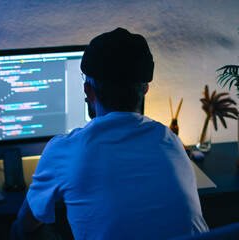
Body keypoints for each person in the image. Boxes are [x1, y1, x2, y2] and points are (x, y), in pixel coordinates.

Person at [13, 27, 208, 240]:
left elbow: (28, 222)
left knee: (21, 230)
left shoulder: (64, 149)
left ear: (88, 91)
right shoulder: (171, 140)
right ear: (145, 90)